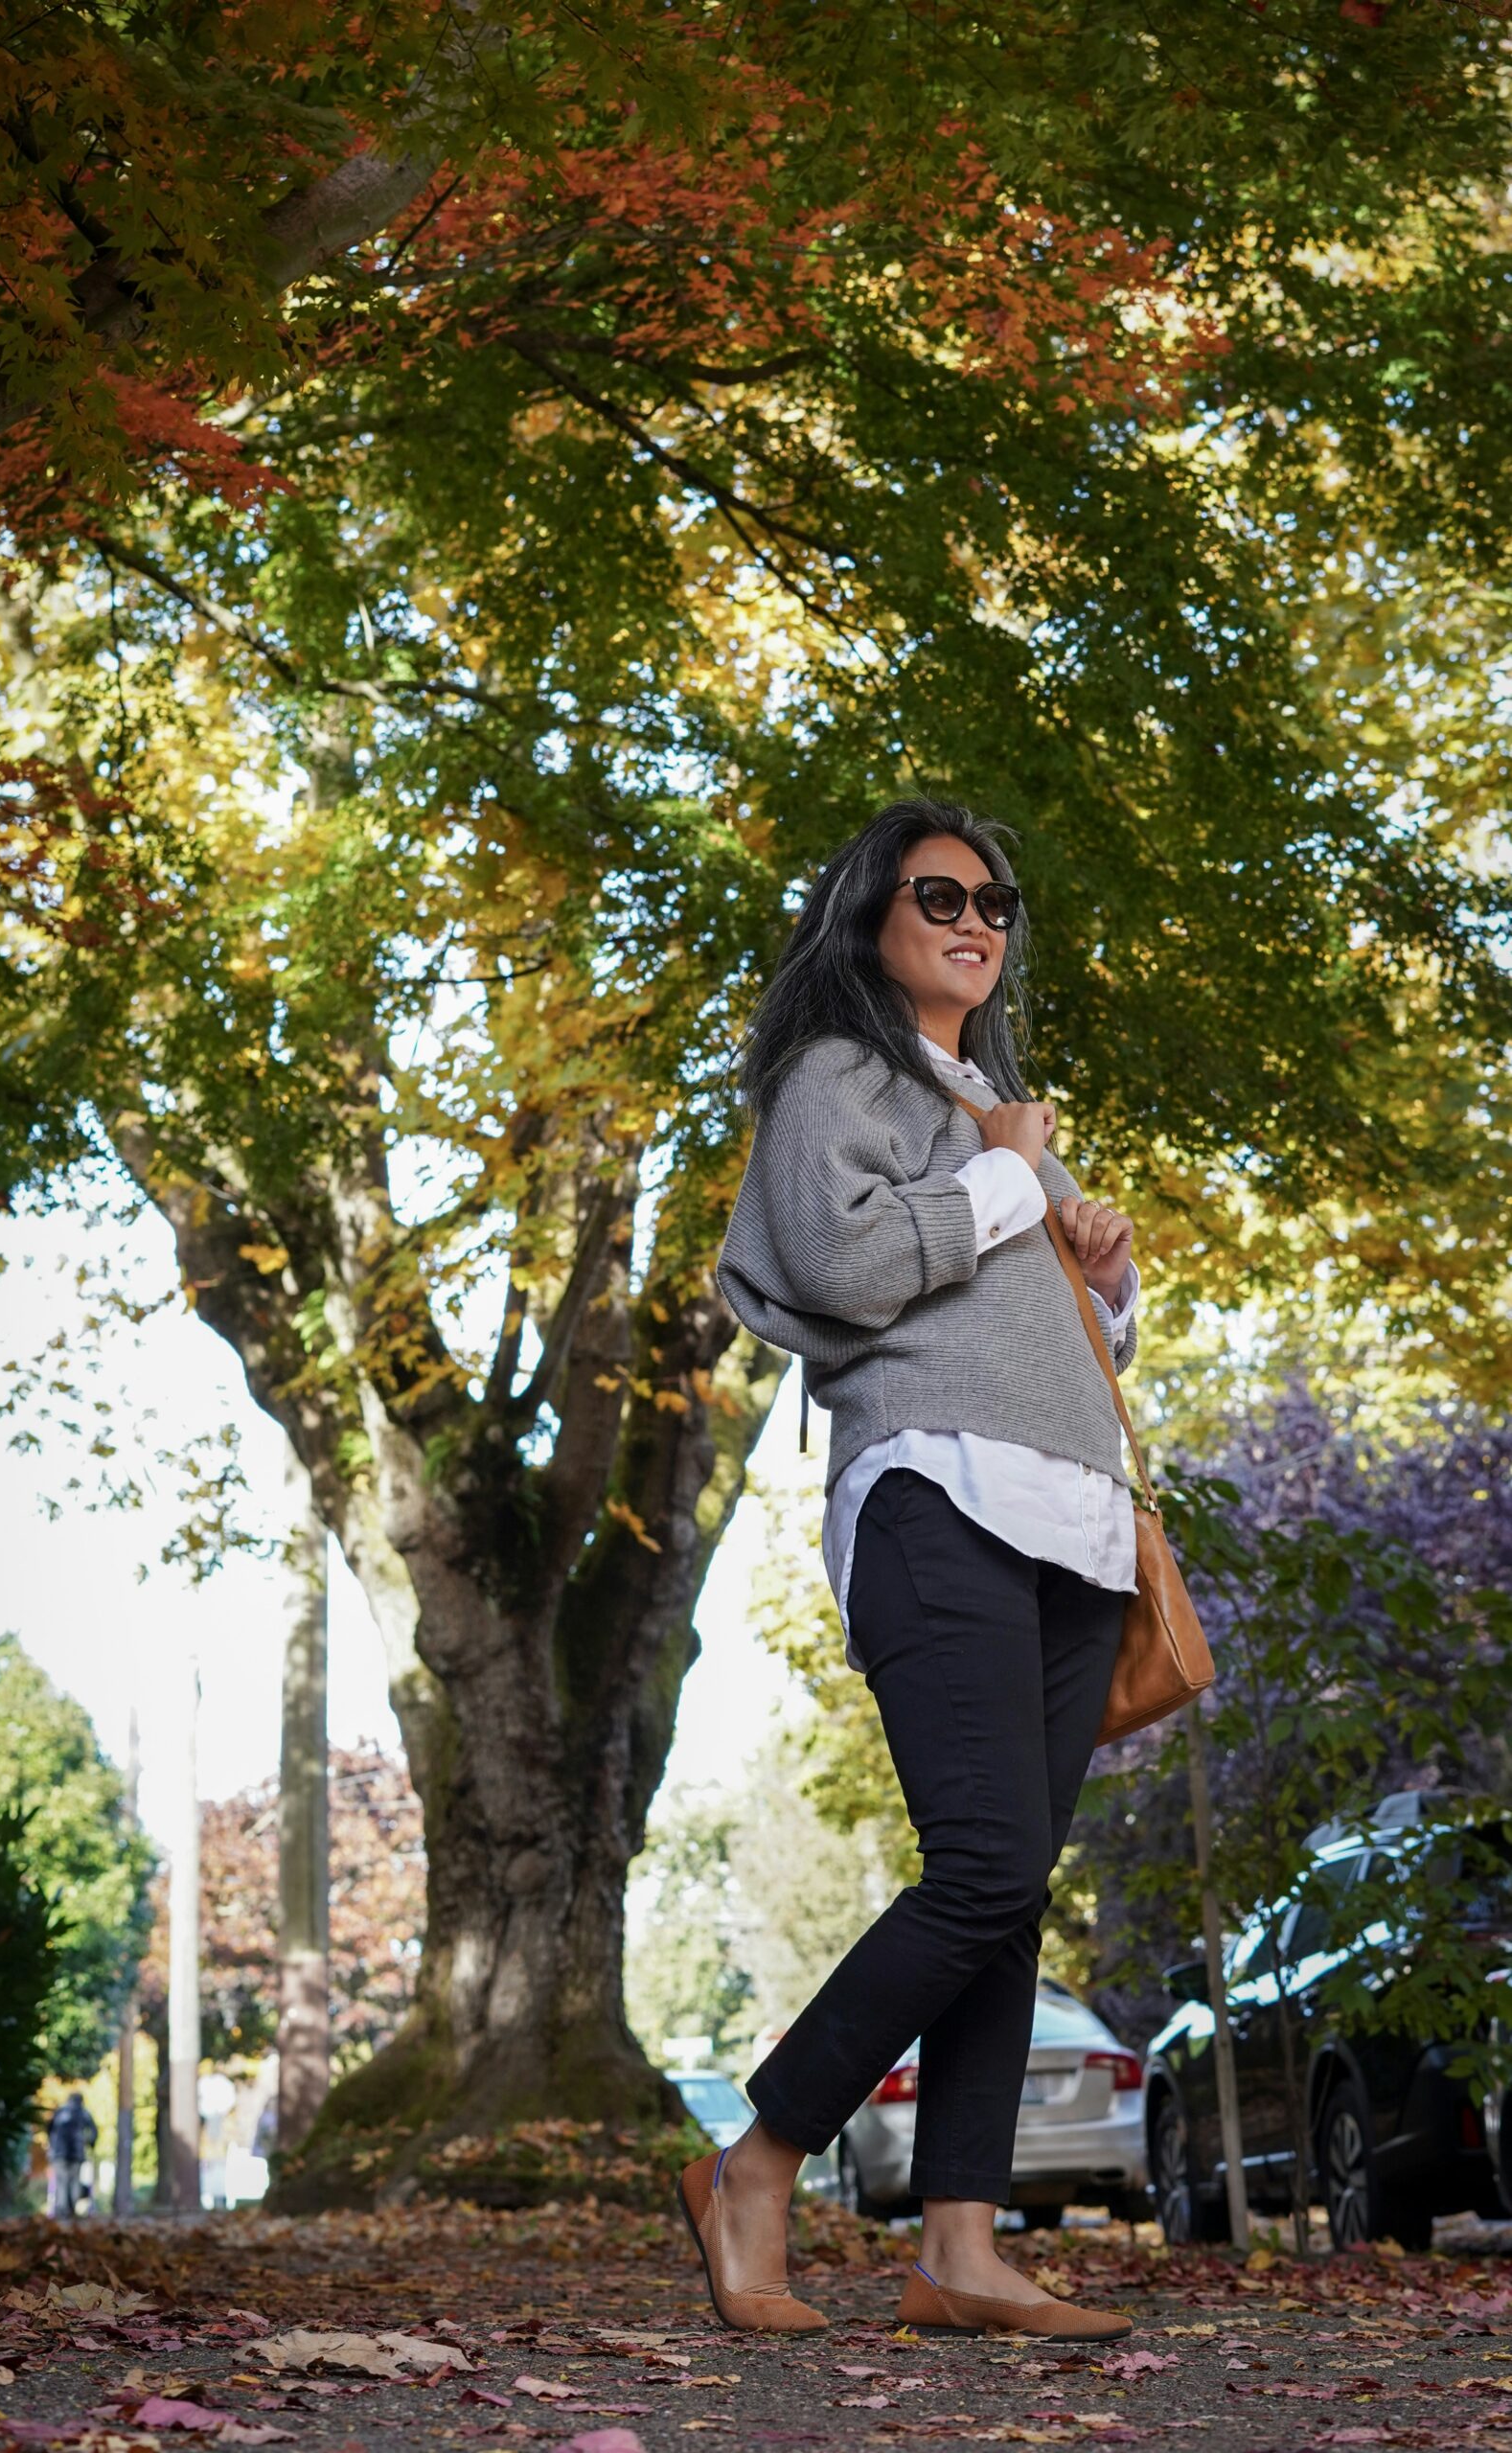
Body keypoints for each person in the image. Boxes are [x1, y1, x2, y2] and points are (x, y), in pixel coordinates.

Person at [681, 797, 1140, 2343]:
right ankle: (755, 2159)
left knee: (1010, 1903)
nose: (973, 919)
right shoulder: (836, 1078)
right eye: (936, 892)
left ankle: (958, 2248)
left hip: (1072, 1527)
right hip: (934, 1498)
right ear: (867, 911)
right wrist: (1011, 1181)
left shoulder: (992, 1106)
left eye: (994, 901)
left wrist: (1100, 1276)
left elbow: (1050, 1345)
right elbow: (852, 1267)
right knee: (986, 1870)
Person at [46, 2090, 98, 2220]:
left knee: (62, 2182)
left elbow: (49, 2129)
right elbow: (94, 2132)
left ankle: (63, 2209)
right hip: (76, 2153)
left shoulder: (60, 2111)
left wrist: (52, 2145)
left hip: (59, 2154)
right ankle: (70, 2209)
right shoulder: (83, 2113)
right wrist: (90, 2143)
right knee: (74, 2181)